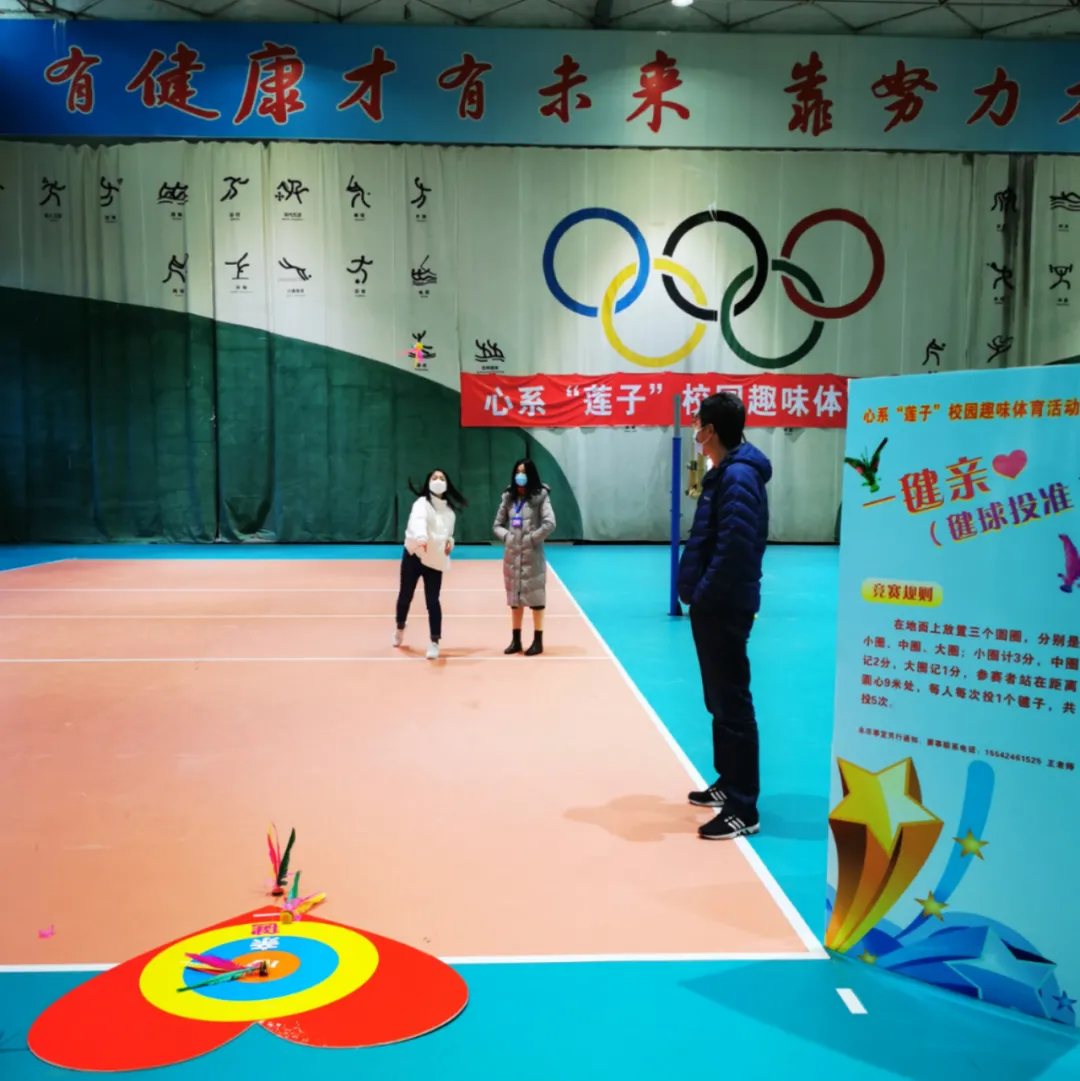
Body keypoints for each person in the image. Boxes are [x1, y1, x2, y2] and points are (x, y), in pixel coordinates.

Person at [677, 392, 771, 841]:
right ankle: (727, 782)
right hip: (716, 605)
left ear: (710, 430)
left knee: (732, 702)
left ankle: (743, 806)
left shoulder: (738, 476)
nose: (695, 429)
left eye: (699, 423)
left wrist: (705, 594)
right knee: (718, 700)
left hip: (725, 606)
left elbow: (735, 547)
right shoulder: (726, 472)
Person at [394, 469, 466, 661]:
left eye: (442, 478)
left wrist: (450, 542)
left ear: (447, 484)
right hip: (414, 554)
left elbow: (448, 534)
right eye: (434, 478)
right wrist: (421, 538)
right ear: (428, 483)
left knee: (433, 600)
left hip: (434, 559)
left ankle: (434, 641)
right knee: (405, 595)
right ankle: (400, 626)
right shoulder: (421, 504)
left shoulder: (449, 513)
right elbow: (418, 521)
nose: (438, 480)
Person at [494, 459, 556, 656]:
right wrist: (507, 537)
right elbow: (497, 525)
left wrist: (531, 539)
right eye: (517, 472)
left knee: (536, 599)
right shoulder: (508, 497)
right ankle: (516, 640)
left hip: (532, 555)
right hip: (512, 555)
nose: (520, 476)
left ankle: (538, 641)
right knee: (515, 599)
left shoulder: (541, 496)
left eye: (524, 472)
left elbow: (550, 523)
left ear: (531, 474)